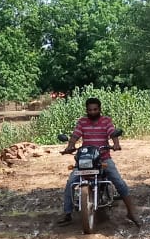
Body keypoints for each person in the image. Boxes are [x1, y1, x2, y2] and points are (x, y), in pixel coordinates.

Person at [59, 98, 141, 228]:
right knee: (71, 182)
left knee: (119, 182)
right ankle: (68, 214)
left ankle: (131, 212)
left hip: (103, 157)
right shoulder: (82, 122)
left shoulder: (106, 121)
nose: (92, 112)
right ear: (86, 110)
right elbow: (75, 136)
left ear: (99, 109)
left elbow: (112, 133)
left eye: (95, 109)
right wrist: (70, 146)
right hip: (86, 158)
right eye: (90, 110)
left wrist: (116, 144)